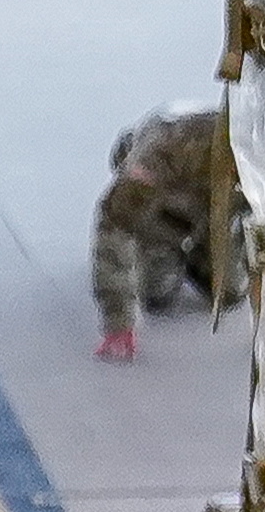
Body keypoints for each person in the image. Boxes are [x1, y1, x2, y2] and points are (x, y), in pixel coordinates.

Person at [90, 103, 232, 361]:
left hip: (213, 206)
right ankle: (169, 241)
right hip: (171, 194)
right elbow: (115, 224)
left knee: (230, 291)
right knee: (157, 290)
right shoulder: (163, 153)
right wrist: (119, 321)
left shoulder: (261, 158)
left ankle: (197, 243)